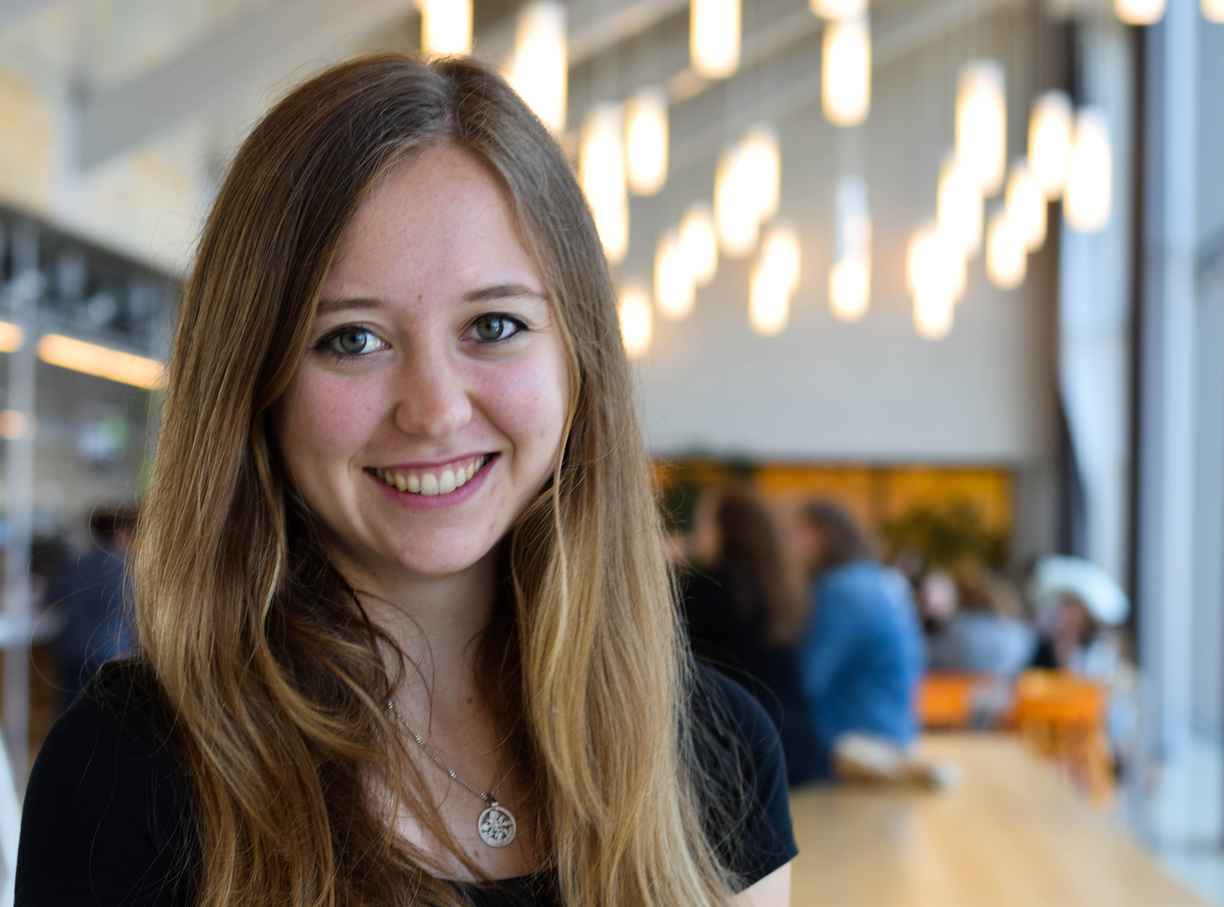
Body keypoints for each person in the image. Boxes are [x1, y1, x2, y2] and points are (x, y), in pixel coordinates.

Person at [17, 55, 794, 907]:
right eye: (352, 339)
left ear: (579, 362)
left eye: (494, 324)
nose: (433, 409)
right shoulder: (129, 772)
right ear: (255, 387)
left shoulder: (714, 748)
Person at [680, 485, 829, 787]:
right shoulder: (779, 588)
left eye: (704, 522)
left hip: (737, 751)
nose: (697, 533)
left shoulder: (708, 589)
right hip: (797, 747)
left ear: (726, 530)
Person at [792, 500, 925, 751]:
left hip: (858, 740)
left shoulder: (840, 590)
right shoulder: (876, 580)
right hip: (896, 730)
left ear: (823, 537)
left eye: (798, 532)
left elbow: (810, 677)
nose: (790, 544)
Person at [45, 505, 137, 709]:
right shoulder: (125, 570)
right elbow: (131, 616)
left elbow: (51, 598)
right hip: (107, 654)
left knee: (69, 713)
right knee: (103, 715)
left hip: (71, 650)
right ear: (121, 532)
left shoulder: (75, 564)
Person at [927, 565, 1036, 678]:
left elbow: (931, 658)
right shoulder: (1021, 635)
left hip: (951, 690)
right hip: (1001, 690)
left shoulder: (957, 632)